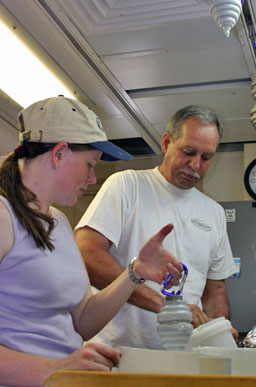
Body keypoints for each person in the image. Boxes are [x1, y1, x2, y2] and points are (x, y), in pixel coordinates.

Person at [0, 96, 183, 387]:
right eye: (89, 165)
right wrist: (56, 369)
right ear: (59, 154)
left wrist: (134, 273)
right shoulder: (3, 216)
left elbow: (83, 319)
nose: (92, 178)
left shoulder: (58, 221)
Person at [75, 104, 237, 350]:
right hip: (117, 353)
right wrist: (166, 306)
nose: (195, 165)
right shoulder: (127, 185)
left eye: (206, 158)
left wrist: (220, 331)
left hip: (185, 357)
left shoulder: (213, 213)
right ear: (166, 143)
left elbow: (214, 290)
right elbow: (86, 254)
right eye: (188, 152)